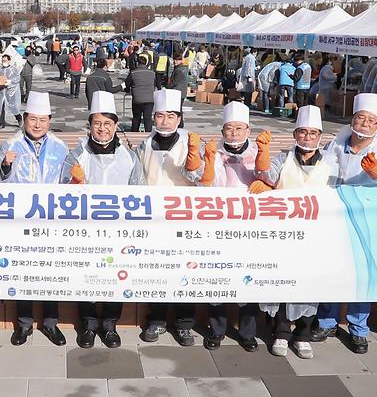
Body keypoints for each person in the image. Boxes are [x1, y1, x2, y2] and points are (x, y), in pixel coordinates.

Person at [250, 106, 338, 359]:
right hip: (284, 234)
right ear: (295, 134)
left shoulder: (331, 164)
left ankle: (303, 335)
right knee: (282, 281)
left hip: (317, 236)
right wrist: (263, 158)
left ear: (320, 136)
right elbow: (267, 175)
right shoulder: (283, 159)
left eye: (313, 133)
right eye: (302, 132)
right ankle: (281, 332)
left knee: (310, 283)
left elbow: (341, 193)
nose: (307, 137)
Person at [313, 93, 377, 354]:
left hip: (365, 220)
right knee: (331, 269)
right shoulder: (335, 145)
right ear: (352, 120)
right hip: (334, 217)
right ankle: (326, 322)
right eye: (361, 118)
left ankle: (358, 329)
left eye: (371, 120)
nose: (365, 124)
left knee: (362, 274)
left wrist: (376, 171)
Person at [60, 91, 145, 348]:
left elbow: (139, 192)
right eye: (97, 123)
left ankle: (109, 324)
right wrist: (73, 184)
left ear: (116, 126)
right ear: (90, 125)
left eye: (108, 123)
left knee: (116, 276)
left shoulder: (129, 156)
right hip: (85, 230)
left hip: (119, 230)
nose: (102, 128)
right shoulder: (76, 155)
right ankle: (88, 324)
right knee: (87, 276)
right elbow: (62, 193)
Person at [0, 91, 69, 346]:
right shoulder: (10, 145)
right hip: (21, 223)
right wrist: (5, 166)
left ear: (49, 121)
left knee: (50, 274)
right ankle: (24, 324)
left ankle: (50, 323)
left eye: (43, 120)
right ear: (24, 119)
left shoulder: (60, 147)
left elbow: (66, 183)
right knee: (23, 273)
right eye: (33, 119)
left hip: (51, 222)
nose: (37, 125)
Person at [135, 89, 205, 346]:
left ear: (179, 118)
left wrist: (194, 161)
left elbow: (200, 178)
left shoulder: (191, 142)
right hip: (154, 220)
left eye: (171, 116)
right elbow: (137, 179)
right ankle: (156, 320)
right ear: (153, 117)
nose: (165, 121)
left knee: (185, 271)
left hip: (184, 219)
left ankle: (185, 324)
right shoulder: (145, 144)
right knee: (157, 272)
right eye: (160, 116)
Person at [201, 101, 261, 352]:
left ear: (248, 130)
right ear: (222, 131)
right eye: (229, 128)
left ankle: (248, 332)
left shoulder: (258, 153)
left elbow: (272, 181)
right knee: (217, 279)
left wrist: (266, 183)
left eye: (239, 128)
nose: (234, 134)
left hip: (251, 228)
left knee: (250, 279)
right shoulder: (212, 152)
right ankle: (216, 330)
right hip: (217, 226)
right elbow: (201, 184)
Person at [123, 55, 156, 132]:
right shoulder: (152, 73)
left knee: (136, 118)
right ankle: (148, 134)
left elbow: (127, 83)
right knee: (147, 119)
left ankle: (134, 133)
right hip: (149, 99)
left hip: (137, 99)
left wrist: (127, 90)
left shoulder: (133, 73)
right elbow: (154, 84)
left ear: (137, 63)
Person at [0, 54, 23, 130]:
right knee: (1, 107)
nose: (4, 62)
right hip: (2, 91)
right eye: (2, 61)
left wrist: (10, 81)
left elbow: (17, 78)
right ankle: (1, 124)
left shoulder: (14, 69)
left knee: (12, 107)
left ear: (9, 61)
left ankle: (19, 118)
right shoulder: (0, 70)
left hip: (11, 92)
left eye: (5, 60)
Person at [167, 52, 189, 118]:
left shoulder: (179, 70)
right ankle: (179, 121)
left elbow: (175, 82)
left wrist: (167, 87)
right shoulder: (181, 68)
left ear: (181, 61)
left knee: (177, 110)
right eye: (174, 59)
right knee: (178, 109)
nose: (175, 61)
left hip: (178, 92)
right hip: (181, 91)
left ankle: (179, 122)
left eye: (177, 60)